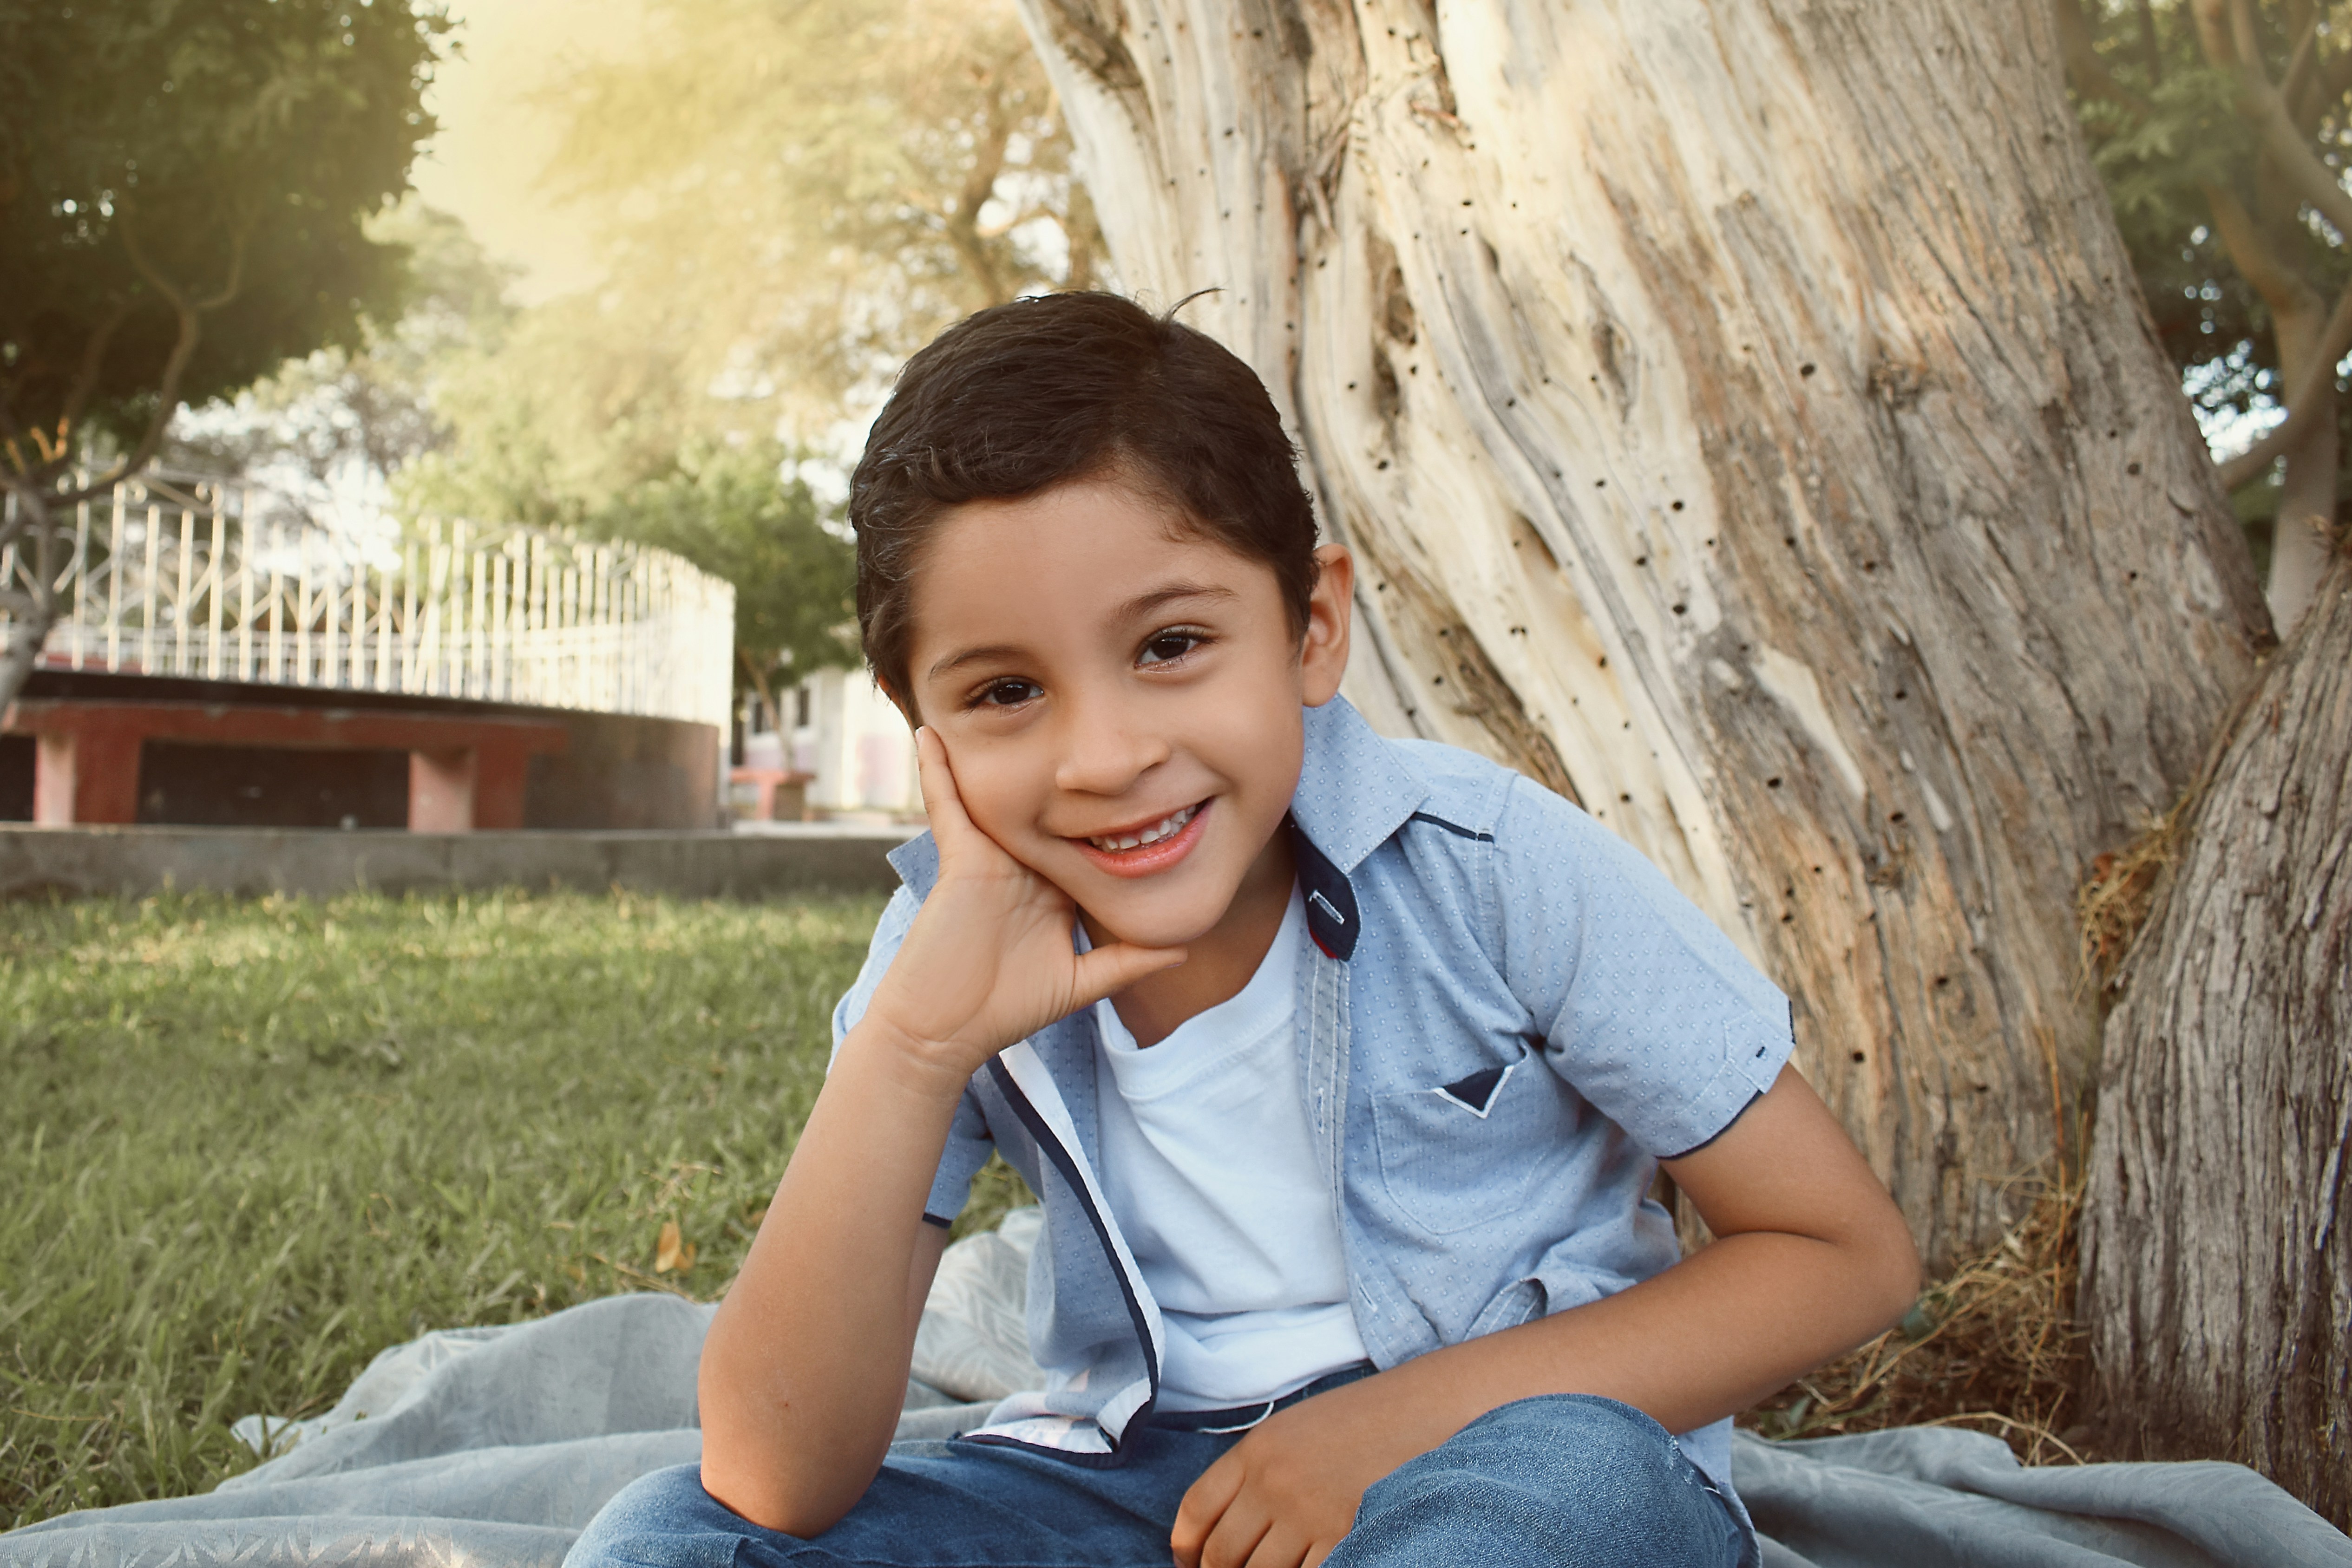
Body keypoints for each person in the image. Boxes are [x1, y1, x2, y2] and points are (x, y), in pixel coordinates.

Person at [570, 292, 1920, 1568]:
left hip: (1512, 1461)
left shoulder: (1492, 869)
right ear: (925, 730)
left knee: (1571, 1501)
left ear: (1311, 625)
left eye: (1168, 647)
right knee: (671, 1537)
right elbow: (771, 1472)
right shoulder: (946, 949)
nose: (1103, 757)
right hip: (1149, 1499)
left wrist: (1386, 1429)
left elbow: (1836, 1253)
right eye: (1003, 691)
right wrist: (918, 1045)